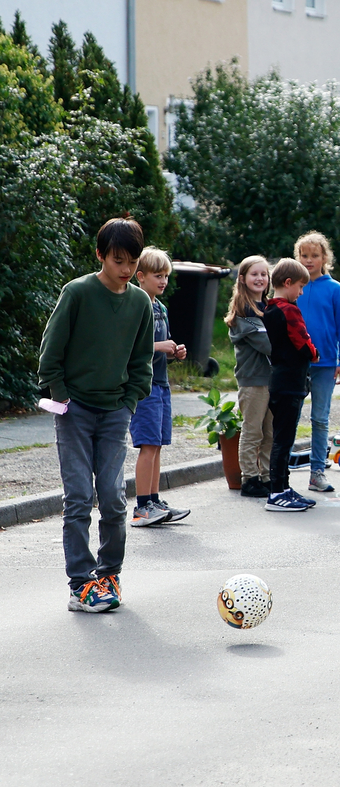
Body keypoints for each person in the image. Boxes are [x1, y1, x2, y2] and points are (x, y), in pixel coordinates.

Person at [38, 217, 155, 612]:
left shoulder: (140, 301)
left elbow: (142, 360)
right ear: (100, 255)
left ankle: (108, 576)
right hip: (74, 410)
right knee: (78, 498)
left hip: (115, 411)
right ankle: (79, 585)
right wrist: (61, 395)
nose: (126, 269)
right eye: (118, 260)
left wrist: (130, 401)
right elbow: (51, 351)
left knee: (112, 498)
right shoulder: (78, 292)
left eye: (133, 261)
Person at [129, 247, 191, 527]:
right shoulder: (135, 304)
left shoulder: (161, 308)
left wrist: (173, 352)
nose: (163, 281)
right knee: (148, 445)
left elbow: (157, 347)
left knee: (158, 445)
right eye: (157, 275)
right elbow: (127, 347)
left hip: (162, 383)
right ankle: (142, 506)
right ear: (140, 276)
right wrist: (158, 346)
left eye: (166, 275)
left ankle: (154, 499)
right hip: (145, 386)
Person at [295, 231, 340, 495]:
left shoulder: (335, 289)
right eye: (304, 255)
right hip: (295, 362)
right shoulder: (293, 286)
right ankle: (279, 471)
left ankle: (317, 472)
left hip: (326, 363)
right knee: (289, 418)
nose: (308, 260)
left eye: (314, 256)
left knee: (319, 419)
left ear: (324, 258)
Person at [263, 258, 319, 513]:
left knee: (282, 438)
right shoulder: (289, 310)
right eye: (300, 286)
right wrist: (315, 353)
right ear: (288, 283)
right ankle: (276, 492)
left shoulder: (270, 309)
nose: (302, 291)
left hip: (280, 381)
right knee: (284, 440)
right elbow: (303, 342)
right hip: (290, 382)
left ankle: (283, 487)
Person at [226, 255, 274, 499]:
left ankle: (267, 476)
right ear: (243, 279)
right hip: (253, 381)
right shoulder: (243, 314)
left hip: (271, 380)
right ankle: (249, 479)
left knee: (270, 432)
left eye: (264, 274)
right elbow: (269, 345)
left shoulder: (269, 308)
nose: (260, 278)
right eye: (254, 274)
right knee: (253, 431)